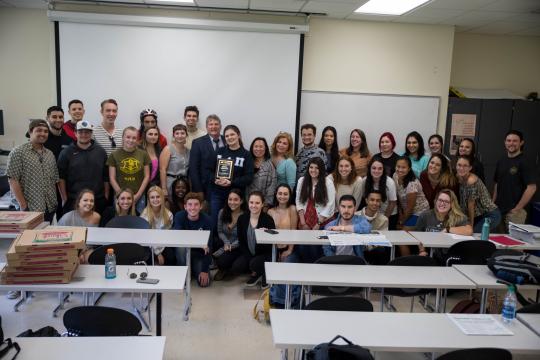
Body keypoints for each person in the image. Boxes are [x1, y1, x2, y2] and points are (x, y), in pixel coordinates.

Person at [7, 119, 59, 223]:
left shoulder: (49, 154)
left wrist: (54, 203)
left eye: (45, 131)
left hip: (49, 208)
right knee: (28, 238)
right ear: (30, 131)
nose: (43, 134)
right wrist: (23, 206)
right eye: (39, 130)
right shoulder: (18, 152)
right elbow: (13, 180)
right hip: (29, 209)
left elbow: (54, 179)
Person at [57, 120, 109, 214]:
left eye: (87, 132)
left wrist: (106, 196)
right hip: (74, 200)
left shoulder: (101, 152)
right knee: (75, 228)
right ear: (75, 133)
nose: (84, 135)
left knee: (98, 226)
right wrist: (64, 198)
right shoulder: (66, 153)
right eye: (80, 132)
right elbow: (61, 177)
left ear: (91, 133)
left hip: (97, 200)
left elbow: (106, 177)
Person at [210, 125, 254, 230]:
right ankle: (214, 246)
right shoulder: (219, 152)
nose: (229, 137)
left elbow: (249, 177)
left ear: (238, 135)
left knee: (234, 225)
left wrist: (232, 182)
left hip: (236, 197)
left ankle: (232, 246)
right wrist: (215, 179)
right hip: (218, 194)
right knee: (215, 223)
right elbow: (208, 171)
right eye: (227, 136)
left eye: (232, 134)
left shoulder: (246, 154)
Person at [493, 130, 537, 230]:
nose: (511, 143)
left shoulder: (525, 162)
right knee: (499, 240)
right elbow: (497, 183)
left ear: (521, 143)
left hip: (515, 212)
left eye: (514, 141)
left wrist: (517, 208)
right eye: (508, 140)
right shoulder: (501, 160)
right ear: (505, 142)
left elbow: (532, 188)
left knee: (513, 243)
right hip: (499, 209)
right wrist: (493, 203)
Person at [415, 189, 473, 262]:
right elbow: (418, 235)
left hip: (451, 255)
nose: (442, 203)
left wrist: (448, 229)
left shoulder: (458, 217)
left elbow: (469, 230)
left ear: (452, 204)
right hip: (431, 254)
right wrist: (422, 251)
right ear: (436, 201)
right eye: (440, 200)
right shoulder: (425, 216)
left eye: (446, 202)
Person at [296, 157, 335, 262]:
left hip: (323, 222)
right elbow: (299, 202)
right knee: (303, 248)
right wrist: (303, 223)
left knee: (315, 249)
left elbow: (330, 205)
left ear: (321, 169)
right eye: (311, 167)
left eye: (317, 168)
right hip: (305, 219)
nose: (313, 170)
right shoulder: (302, 181)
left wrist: (318, 223)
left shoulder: (328, 182)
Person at [236, 191, 276, 288]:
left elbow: (272, 244)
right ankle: (256, 271)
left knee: (254, 263)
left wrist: (266, 234)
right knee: (237, 267)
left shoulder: (268, 219)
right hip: (250, 253)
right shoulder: (242, 219)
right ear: (248, 203)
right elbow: (241, 241)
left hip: (264, 254)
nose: (254, 205)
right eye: (251, 202)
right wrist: (249, 258)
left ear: (262, 204)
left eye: (257, 203)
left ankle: (263, 273)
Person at [107, 126, 150, 213]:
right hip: (120, 196)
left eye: (134, 138)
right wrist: (122, 195)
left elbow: (147, 176)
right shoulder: (114, 155)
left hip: (139, 195)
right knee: (119, 219)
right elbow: (112, 178)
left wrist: (138, 195)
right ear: (123, 137)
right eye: (128, 137)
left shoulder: (144, 154)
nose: (131, 140)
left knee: (138, 220)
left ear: (137, 139)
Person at [173, 192, 212, 287]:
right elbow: (178, 236)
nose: (193, 208)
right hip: (184, 252)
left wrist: (204, 270)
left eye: (196, 204)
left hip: (198, 254)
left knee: (204, 283)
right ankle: (183, 273)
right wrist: (199, 242)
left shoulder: (207, 220)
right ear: (185, 206)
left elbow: (209, 246)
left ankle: (194, 269)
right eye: (190, 205)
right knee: (180, 248)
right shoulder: (179, 216)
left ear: (201, 206)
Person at [456, 155, 501, 232]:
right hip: (479, 216)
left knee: (472, 234)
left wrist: (471, 226)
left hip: (490, 215)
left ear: (470, 168)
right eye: (459, 165)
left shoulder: (471, 181)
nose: (461, 168)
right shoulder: (459, 177)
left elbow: (471, 206)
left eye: (465, 166)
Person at [189, 114, 225, 200]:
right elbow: (193, 169)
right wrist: (198, 190)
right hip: (206, 187)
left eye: (216, 124)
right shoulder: (198, 143)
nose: (213, 127)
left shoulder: (227, 140)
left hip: (225, 186)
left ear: (220, 126)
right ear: (206, 127)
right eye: (210, 124)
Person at [213, 189, 245, 281]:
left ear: (241, 201)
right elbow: (220, 232)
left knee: (233, 265)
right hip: (224, 243)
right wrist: (226, 243)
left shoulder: (245, 216)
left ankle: (228, 269)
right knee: (214, 241)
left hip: (238, 246)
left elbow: (243, 238)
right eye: (230, 199)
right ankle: (222, 268)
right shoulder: (222, 212)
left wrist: (231, 246)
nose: (232, 202)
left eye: (236, 199)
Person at [393, 156, 430, 232]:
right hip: (406, 211)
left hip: (419, 212)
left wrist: (401, 222)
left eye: (403, 167)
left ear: (409, 169)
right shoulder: (395, 176)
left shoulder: (412, 184)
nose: (400, 170)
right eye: (398, 166)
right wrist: (400, 216)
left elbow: (410, 208)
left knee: (402, 233)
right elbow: (398, 198)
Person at [140, 186, 174, 265]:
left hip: (163, 244)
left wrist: (160, 251)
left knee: (171, 257)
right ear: (148, 200)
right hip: (148, 245)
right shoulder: (144, 215)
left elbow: (166, 236)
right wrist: (157, 253)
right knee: (149, 258)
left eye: (158, 197)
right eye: (152, 197)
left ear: (162, 198)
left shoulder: (169, 215)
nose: (155, 200)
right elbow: (146, 238)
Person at [363, 157, 398, 229]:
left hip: (389, 214)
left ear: (383, 170)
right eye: (374, 168)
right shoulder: (365, 180)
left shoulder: (389, 182)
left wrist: (384, 218)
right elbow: (365, 198)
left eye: (380, 168)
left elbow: (392, 202)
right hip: (372, 214)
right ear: (369, 169)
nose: (376, 171)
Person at [358, 190, 390, 265]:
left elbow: (381, 241)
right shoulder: (356, 216)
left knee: (382, 250)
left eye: (378, 201)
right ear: (366, 200)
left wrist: (367, 247)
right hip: (358, 249)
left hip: (374, 251)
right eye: (372, 200)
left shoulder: (384, 219)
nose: (375, 203)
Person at [268, 184, 298, 262]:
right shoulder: (270, 211)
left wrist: (289, 250)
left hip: (289, 247)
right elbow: (269, 232)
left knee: (286, 263)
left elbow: (293, 230)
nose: (282, 196)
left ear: (289, 195)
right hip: (274, 248)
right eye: (280, 193)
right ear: (276, 194)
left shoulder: (292, 209)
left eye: (285, 194)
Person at [159, 124, 189, 198]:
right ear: (173, 135)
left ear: (186, 135)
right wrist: (164, 188)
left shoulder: (188, 150)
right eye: (177, 133)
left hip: (184, 184)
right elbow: (162, 169)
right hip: (170, 183)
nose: (180, 135)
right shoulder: (168, 149)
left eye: (182, 133)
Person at [246, 137, 277, 208]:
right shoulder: (248, 162)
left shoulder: (270, 165)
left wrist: (266, 204)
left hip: (262, 205)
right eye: (256, 146)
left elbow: (272, 186)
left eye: (261, 146)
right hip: (246, 203)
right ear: (252, 148)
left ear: (265, 148)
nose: (258, 149)